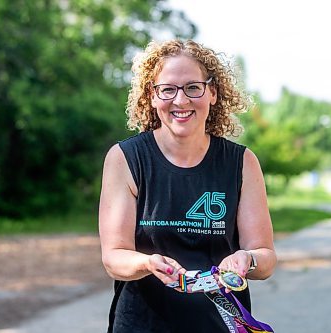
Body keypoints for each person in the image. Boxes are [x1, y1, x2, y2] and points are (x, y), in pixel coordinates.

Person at [98, 39, 277, 333]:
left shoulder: (241, 162)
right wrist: (148, 264)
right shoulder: (125, 159)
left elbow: (266, 259)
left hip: (220, 325)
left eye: (193, 87)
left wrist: (248, 258)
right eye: (168, 89)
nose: (180, 100)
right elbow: (114, 257)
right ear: (152, 97)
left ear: (213, 93)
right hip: (142, 324)